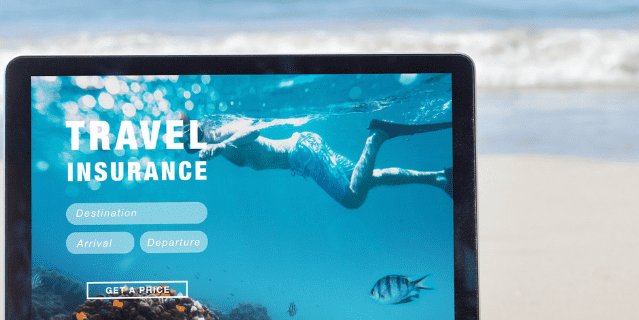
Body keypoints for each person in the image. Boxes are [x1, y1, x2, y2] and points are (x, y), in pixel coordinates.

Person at [190, 117, 452, 209]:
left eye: (194, 141)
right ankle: (438, 178)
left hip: (302, 154)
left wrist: (221, 145)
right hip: (304, 146)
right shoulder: (218, 140)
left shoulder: (223, 133)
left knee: (352, 199)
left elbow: (254, 130)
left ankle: (377, 136)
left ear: (201, 131)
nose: (197, 148)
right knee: (368, 178)